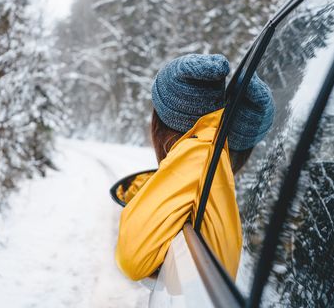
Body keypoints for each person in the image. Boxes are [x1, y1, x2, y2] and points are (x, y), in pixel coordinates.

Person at [115, 53, 274, 281]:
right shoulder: (216, 184)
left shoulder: (201, 159)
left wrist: (202, 141)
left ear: (161, 127)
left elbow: (130, 260)